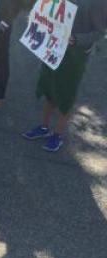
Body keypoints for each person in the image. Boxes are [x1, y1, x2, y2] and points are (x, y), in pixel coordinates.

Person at [22, 0, 107, 152]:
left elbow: (100, 32)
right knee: (49, 86)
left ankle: (57, 134)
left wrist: (77, 39)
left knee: (66, 92)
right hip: (52, 47)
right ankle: (44, 127)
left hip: (75, 55)